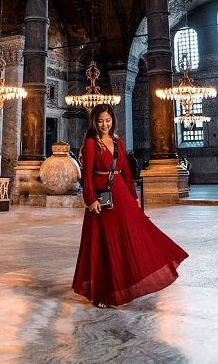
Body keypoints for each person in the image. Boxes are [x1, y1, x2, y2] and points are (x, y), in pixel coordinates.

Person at [72, 104, 188, 308]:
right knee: (103, 242)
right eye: (100, 121)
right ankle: (102, 291)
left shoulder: (117, 142)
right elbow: (87, 174)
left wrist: (134, 195)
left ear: (113, 120)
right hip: (102, 197)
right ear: (94, 122)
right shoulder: (91, 144)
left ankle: (127, 280)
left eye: (108, 120)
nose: (104, 124)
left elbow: (125, 170)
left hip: (122, 195)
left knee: (134, 233)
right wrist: (89, 198)